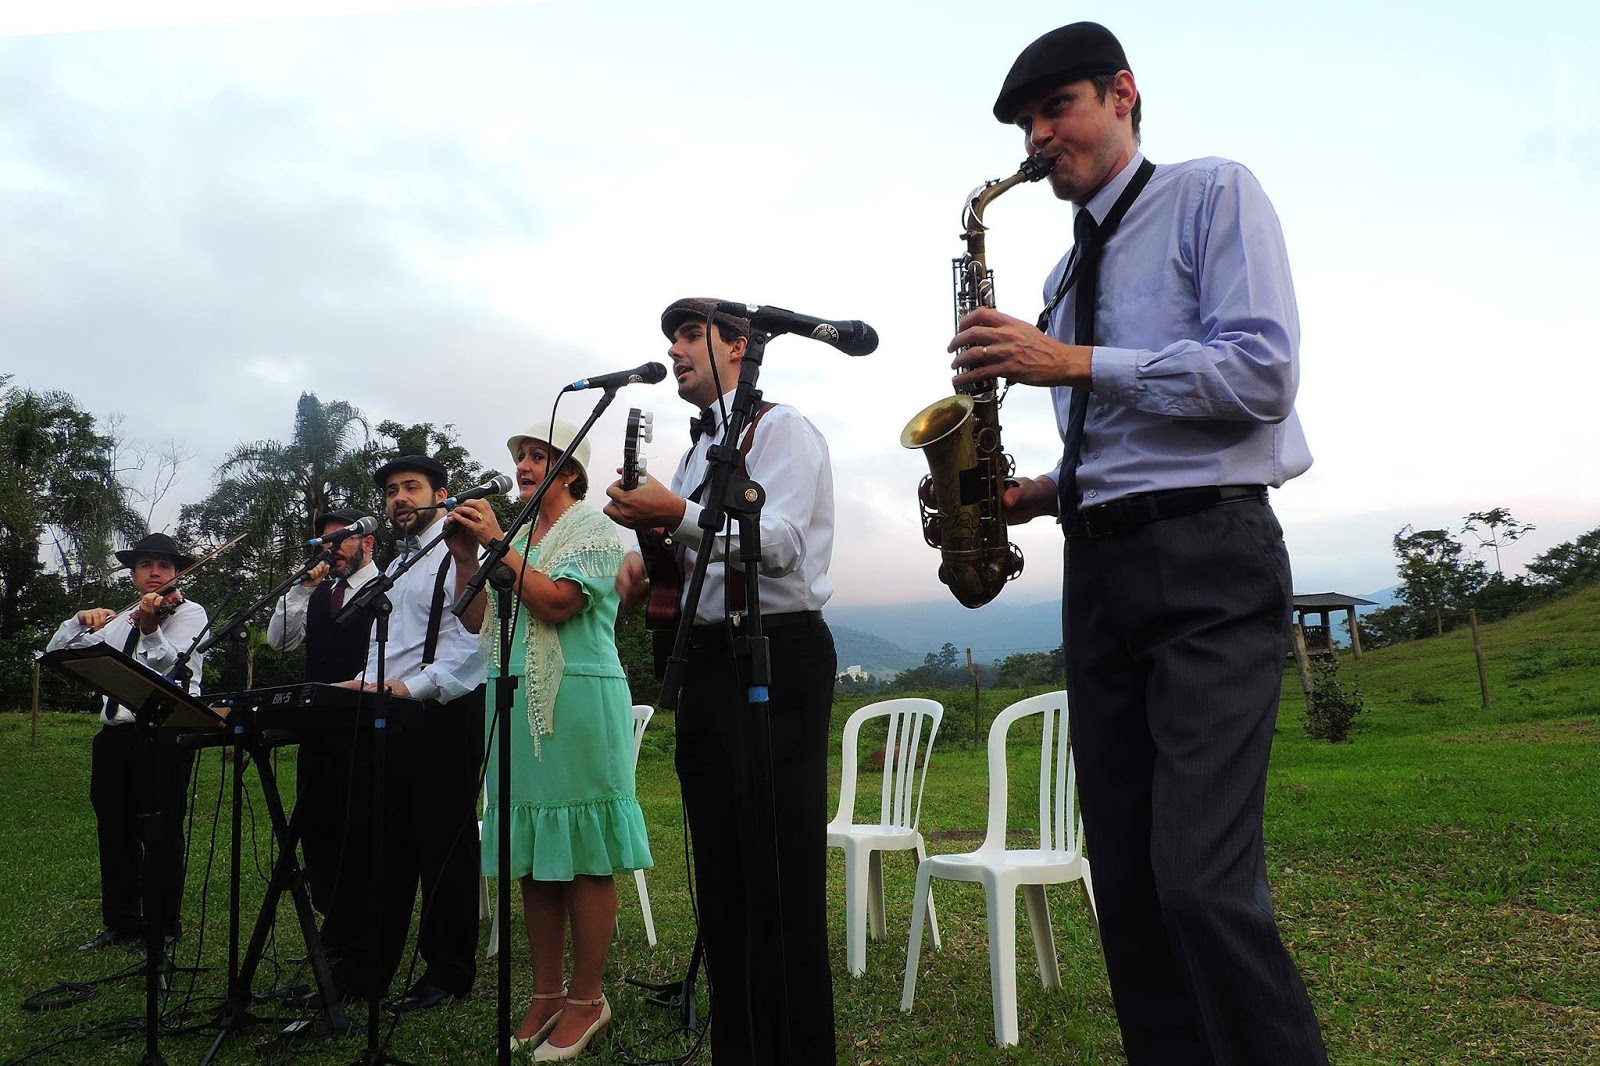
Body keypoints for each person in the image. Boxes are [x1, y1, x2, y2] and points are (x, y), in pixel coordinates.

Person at [948, 22, 1329, 1065]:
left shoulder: (1212, 192)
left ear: (1122, 93)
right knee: (1123, 881)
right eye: (1025, 121)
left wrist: (1068, 362)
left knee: (1200, 881)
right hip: (1100, 566)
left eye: (1054, 107)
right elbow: (1115, 432)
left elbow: (1259, 374)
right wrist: (1033, 489)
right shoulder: (1066, 277)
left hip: (1209, 554)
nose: (1036, 137)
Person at [604, 297, 838, 1066]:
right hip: (704, 660)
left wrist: (680, 514)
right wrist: (650, 567)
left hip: (775, 654)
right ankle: (738, 1048)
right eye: (669, 337)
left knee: (778, 870)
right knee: (723, 872)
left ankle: (795, 1051)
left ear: (740, 347)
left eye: (689, 335)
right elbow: (691, 551)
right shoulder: (696, 450)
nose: (673, 350)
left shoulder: (784, 429)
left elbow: (783, 546)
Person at [449, 417, 652, 1060]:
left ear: (570, 472)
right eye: (522, 458)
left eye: (539, 457)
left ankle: (589, 999)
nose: (525, 468)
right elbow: (476, 617)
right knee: (532, 852)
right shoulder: (512, 537)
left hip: (579, 699)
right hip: (511, 701)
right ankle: (545, 992)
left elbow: (559, 602)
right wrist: (464, 557)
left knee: (585, 853)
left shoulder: (594, 529)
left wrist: (497, 548)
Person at [336, 455, 487, 1011]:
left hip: (442, 712)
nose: (399, 498)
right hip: (389, 712)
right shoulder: (400, 565)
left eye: (411, 487)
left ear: (440, 494)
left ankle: (447, 974)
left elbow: (474, 644)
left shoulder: (458, 550)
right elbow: (391, 645)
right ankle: (366, 969)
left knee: (442, 846)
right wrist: (357, 683)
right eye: (392, 491)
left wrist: (409, 689)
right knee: (383, 844)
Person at [45, 532, 208, 952]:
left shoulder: (191, 613)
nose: (155, 573)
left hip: (164, 734)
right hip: (113, 737)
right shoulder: (118, 619)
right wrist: (76, 623)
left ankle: (163, 926)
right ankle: (121, 922)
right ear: (134, 574)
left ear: (175, 574)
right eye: (146, 565)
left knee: (161, 831)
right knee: (113, 831)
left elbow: (174, 667)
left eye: (164, 566)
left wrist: (152, 629)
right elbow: (56, 655)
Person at [265, 507, 380, 991]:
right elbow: (280, 642)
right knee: (317, 828)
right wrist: (300, 589)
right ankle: (333, 925)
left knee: (358, 829)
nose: (332, 549)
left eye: (342, 541)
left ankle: (362, 934)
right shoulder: (317, 596)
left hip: (366, 728)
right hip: (318, 731)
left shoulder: (386, 589)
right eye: (326, 543)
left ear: (367, 545)